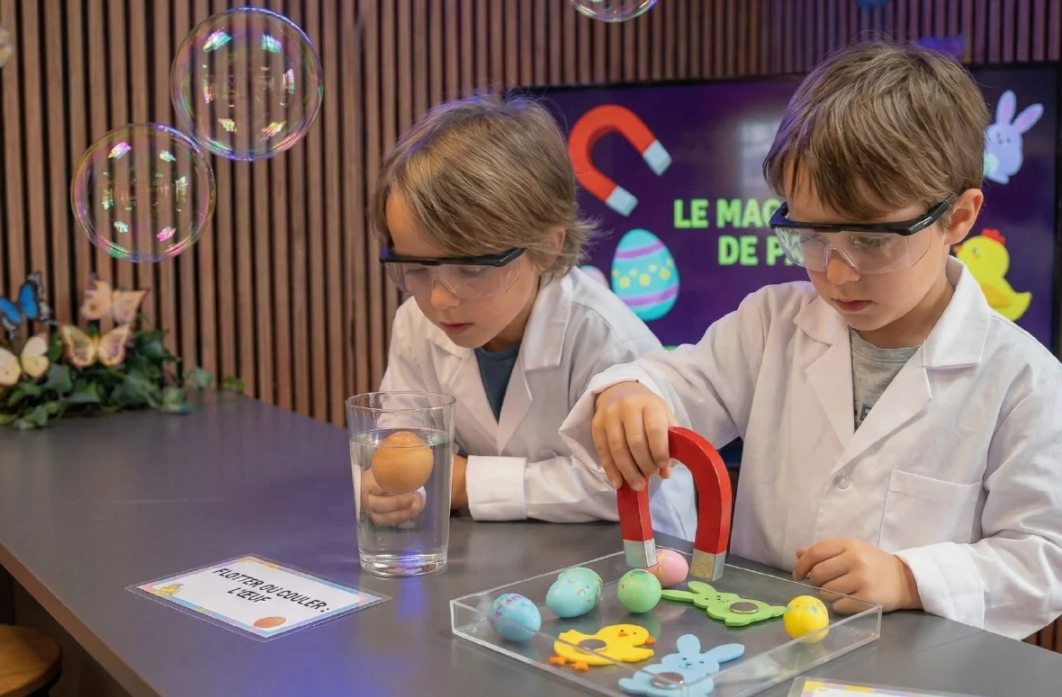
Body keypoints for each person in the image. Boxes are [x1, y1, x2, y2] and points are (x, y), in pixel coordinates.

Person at [561, 41, 1062, 639]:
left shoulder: (1024, 380)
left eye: (873, 241)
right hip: (757, 645)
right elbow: (679, 384)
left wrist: (911, 578)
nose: (837, 272)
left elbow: (1043, 559)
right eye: (812, 236)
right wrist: (630, 391)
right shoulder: (771, 323)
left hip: (911, 672)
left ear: (958, 218)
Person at [368, 92, 697, 536]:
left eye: (471, 269)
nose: (441, 299)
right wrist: (392, 487)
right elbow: (403, 440)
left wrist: (464, 484)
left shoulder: (606, 337)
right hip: (506, 549)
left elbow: (619, 483)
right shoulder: (416, 323)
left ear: (548, 246)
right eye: (417, 269)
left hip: (634, 553)